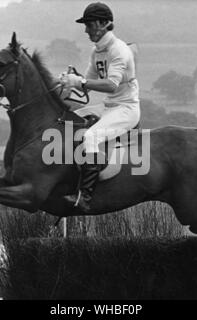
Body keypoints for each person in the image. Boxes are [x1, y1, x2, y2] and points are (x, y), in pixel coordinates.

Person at [61, 2, 140, 212]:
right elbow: (87, 84)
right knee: (69, 121)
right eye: (86, 25)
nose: (86, 30)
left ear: (104, 24)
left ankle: (85, 197)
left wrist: (79, 82)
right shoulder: (96, 51)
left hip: (125, 109)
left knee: (90, 137)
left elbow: (110, 85)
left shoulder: (119, 51)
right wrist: (68, 81)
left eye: (90, 24)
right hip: (108, 106)